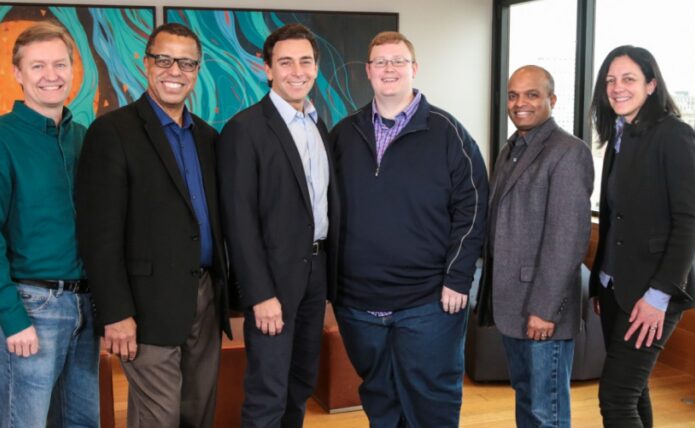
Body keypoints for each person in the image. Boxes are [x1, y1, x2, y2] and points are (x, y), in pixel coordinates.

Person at [75, 23, 231, 427]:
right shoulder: (112, 132)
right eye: (164, 60)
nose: (174, 71)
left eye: (186, 63)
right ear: (146, 64)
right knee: (158, 418)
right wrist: (115, 313)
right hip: (146, 306)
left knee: (197, 413)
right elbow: (99, 236)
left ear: (197, 70)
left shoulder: (208, 138)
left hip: (205, 298)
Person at [330, 31, 488, 427]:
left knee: (432, 404)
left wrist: (458, 278)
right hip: (359, 305)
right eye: (380, 62)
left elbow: (473, 207)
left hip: (429, 303)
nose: (389, 69)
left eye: (398, 61)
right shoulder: (344, 134)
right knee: (380, 401)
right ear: (368, 71)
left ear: (414, 68)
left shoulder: (448, 133)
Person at [0, 21, 99, 427]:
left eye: (59, 64)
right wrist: (12, 317)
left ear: (73, 70)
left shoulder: (83, 137)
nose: (50, 75)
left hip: (86, 305)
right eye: (37, 66)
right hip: (33, 306)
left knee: (83, 422)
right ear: (17, 73)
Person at [217, 23, 339, 428]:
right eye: (285, 62)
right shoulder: (245, 129)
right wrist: (260, 294)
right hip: (272, 281)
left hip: (315, 273)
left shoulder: (318, 125)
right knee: (268, 391)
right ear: (267, 69)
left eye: (305, 61)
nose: (297, 71)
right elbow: (239, 222)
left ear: (316, 67)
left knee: (300, 383)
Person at [589, 45, 695, 427]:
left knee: (616, 397)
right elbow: (614, 220)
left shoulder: (675, 135)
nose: (617, 87)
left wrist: (658, 297)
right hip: (615, 289)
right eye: (610, 80)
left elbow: (689, 222)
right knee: (634, 392)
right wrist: (601, 282)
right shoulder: (620, 137)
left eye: (629, 79)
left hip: (654, 292)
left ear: (651, 85)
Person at [478, 65, 594, 427]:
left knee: (548, 412)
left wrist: (545, 309)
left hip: (543, 310)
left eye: (531, 95)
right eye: (513, 95)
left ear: (552, 100)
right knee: (527, 398)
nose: (520, 103)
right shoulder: (511, 148)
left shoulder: (568, 152)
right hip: (512, 303)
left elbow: (567, 238)